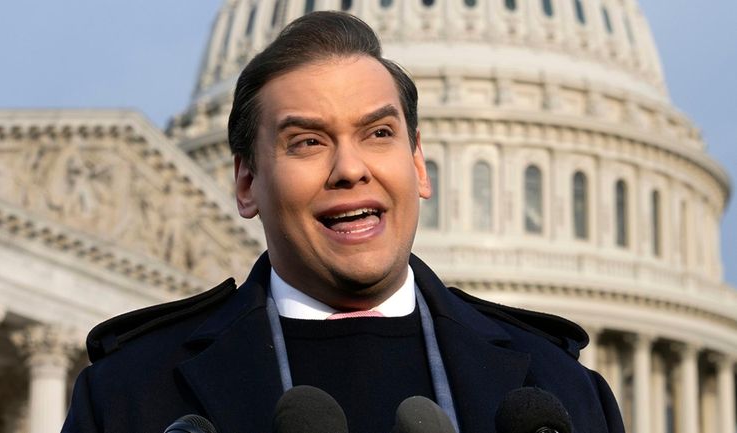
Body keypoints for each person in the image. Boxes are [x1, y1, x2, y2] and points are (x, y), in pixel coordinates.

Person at [62, 11, 624, 433]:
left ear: (418, 164)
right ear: (246, 182)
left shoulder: (563, 394)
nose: (351, 169)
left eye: (378, 134)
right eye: (307, 142)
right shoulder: (129, 396)